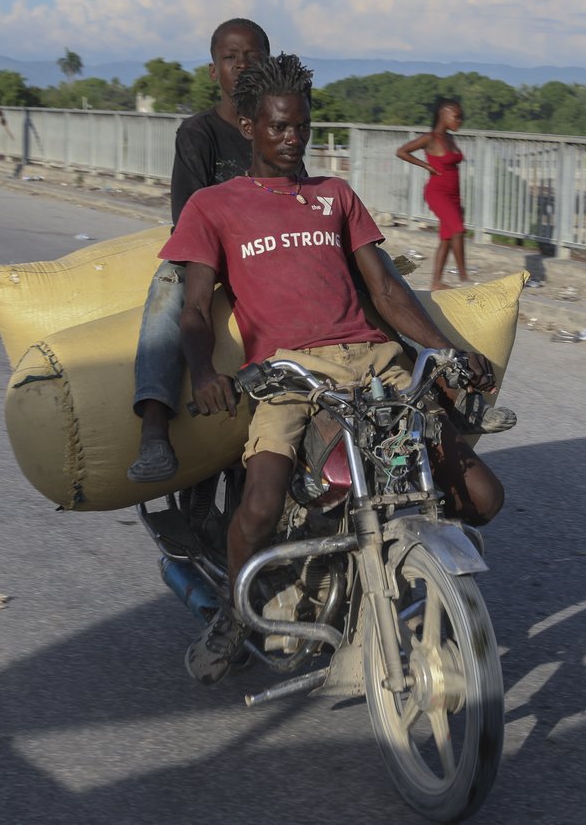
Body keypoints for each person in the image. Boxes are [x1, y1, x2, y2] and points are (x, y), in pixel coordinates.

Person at [161, 53, 506, 684]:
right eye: (278, 128)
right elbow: (191, 308)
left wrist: (444, 351)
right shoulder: (214, 207)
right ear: (249, 126)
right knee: (261, 505)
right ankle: (235, 620)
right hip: (289, 374)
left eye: (302, 127)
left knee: (484, 496)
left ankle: (408, 570)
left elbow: (389, 291)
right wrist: (206, 371)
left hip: (374, 360)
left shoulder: (336, 196)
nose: (293, 140)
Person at [126, 18, 271, 483]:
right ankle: (153, 429)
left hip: (267, 252)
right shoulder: (198, 132)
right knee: (170, 293)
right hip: (209, 253)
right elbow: (187, 219)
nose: (242, 65)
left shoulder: (276, 129)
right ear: (214, 71)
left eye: (252, 56)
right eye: (231, 57)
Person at [396, 98, 469, 290]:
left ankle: (436, 282)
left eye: (462, 117)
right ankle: (465, 278)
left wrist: (459, 202)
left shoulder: (451, 139)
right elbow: (401, 151)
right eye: (457, 116)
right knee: (458, 230)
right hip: (437, 192)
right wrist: (426, 165)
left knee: (446, 237)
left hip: (454, 195)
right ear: (443, 114)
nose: (460, 120)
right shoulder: (430, 138)